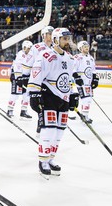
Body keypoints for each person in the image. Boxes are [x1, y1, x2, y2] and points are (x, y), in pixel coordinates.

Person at [27, 28, 79, 180]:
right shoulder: (46, 56)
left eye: (68, 38)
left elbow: (70, 79)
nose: (67, 42)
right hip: (48, 96)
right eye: (64, 39)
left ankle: (50, 158)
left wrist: (74, 94)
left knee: (59, 132)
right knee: (48, 130)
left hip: (63, 98)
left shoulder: (70, 59)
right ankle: (43, 161)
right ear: (56, 40)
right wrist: (34, 94)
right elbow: (36, 73)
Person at [6, 40, 33, 119]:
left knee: (26, 95)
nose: (27, 49)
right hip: (17, 76)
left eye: (29, 48)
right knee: (15, 94)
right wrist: (18, 77)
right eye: (26, 48)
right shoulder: (20, 54)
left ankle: (23, 111)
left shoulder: (32, 55)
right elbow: (17, 66)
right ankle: (10, 109)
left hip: (26, 77)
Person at [73, 40, 99, 123]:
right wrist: (77, 78)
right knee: (86, 99)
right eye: (85, 47)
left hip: (88, 82)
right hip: (82, 81)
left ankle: (84, 115)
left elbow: (93, 70)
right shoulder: (77, 57)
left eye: (87, 46)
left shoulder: (91, 58)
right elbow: (73, 69)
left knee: (88, 99)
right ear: (80, 48)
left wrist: (95, 79)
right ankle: (85, 116)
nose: (87, 48)